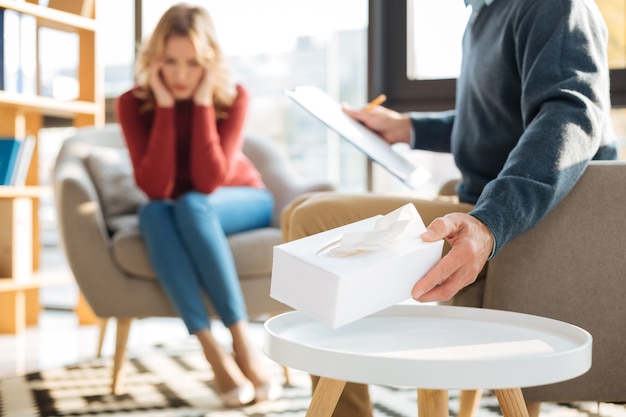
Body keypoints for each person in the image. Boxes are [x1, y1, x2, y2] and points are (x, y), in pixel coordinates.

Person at [281, 0, 617, 415]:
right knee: (301, 209)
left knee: (312, 219)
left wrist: (490, 222)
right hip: (483, 205)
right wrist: (409, 128)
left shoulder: (551, 5)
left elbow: (570, 113)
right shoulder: (484, 12)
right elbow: (497, 120)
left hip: (526, 226)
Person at [115, 3, 281, 408]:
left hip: (242, 200)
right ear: (156, 60)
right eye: (171, 61)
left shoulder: (232, 97)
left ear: (209, 61)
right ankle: (213, 352)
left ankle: (242, 345)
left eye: (193, 63)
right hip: (176, 208)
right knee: (153, 212)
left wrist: (203, 103)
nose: (181, 74)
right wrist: (168, 109)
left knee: (190, 204)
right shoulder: (132, 103)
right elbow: (155, 188)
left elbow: (209, 182)